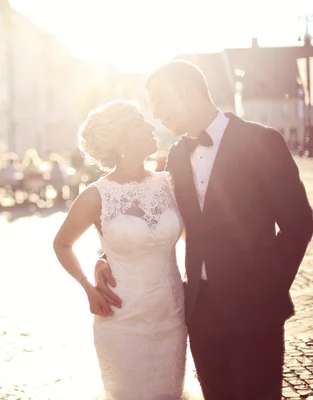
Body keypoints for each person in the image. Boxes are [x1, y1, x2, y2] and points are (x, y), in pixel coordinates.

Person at [93, 60, 313, 399]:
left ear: (189, 92)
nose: (157, 115)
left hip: (256, 307)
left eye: (161, 103)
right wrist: (108, 256)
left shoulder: (262, 141)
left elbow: (299, 223)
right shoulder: (178, 155)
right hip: (200, 310)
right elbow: (156, 214)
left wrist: (268, 286)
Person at [53, 100, 186, 399]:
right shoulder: (96, 195)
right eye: (141, 124)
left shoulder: (169, 184)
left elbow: (191, 237)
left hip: (172, 316)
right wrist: (88, 287)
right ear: (121, 138)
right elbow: (62, 244)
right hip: (121, 320)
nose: (152, 126)